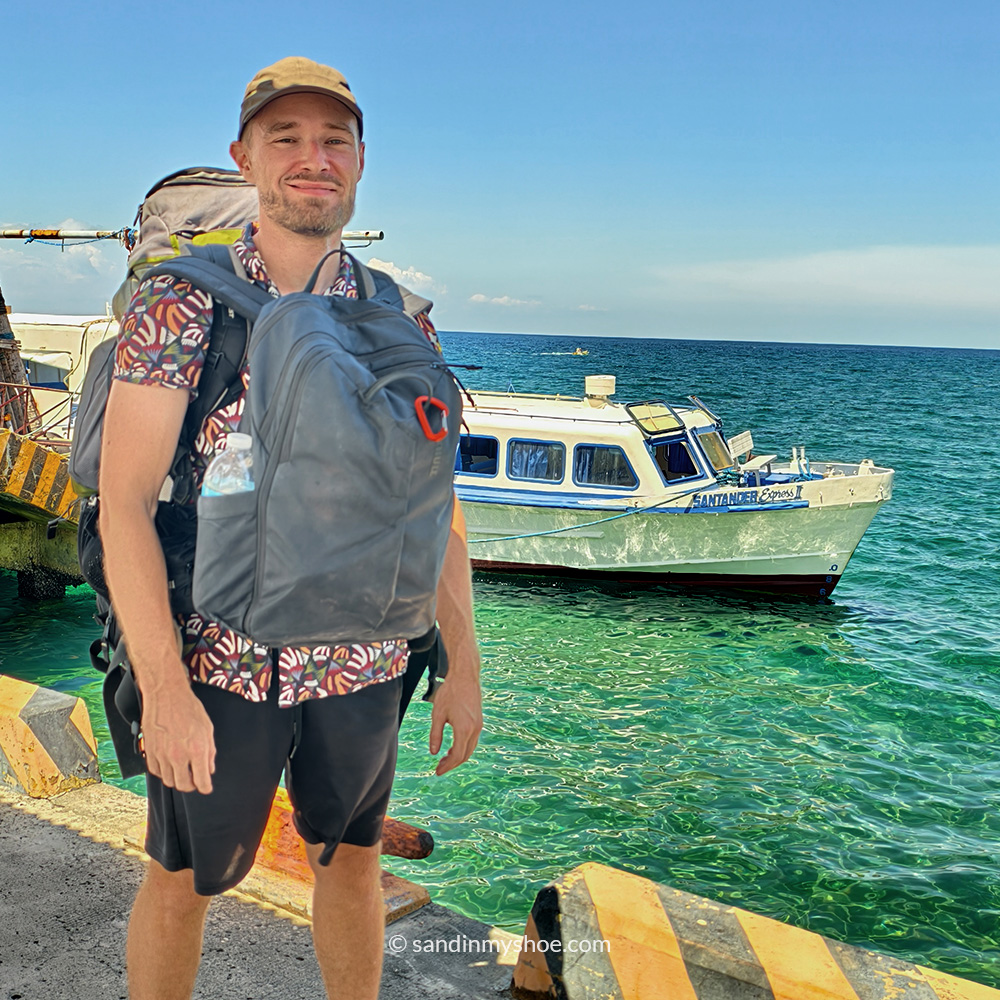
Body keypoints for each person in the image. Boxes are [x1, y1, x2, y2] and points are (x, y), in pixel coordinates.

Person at [99, 56, 483, 1000]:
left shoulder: (395, 315)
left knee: (349, 861)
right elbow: (125, 505)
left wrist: (462, 664)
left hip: (365, 664)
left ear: (359, 160)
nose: (314, 159)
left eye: (334, 140)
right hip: (219, 661)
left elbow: (433, 508)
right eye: (288, 139)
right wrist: (165, 690)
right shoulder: (182, 303)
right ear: (248, 157)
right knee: (184, 882)